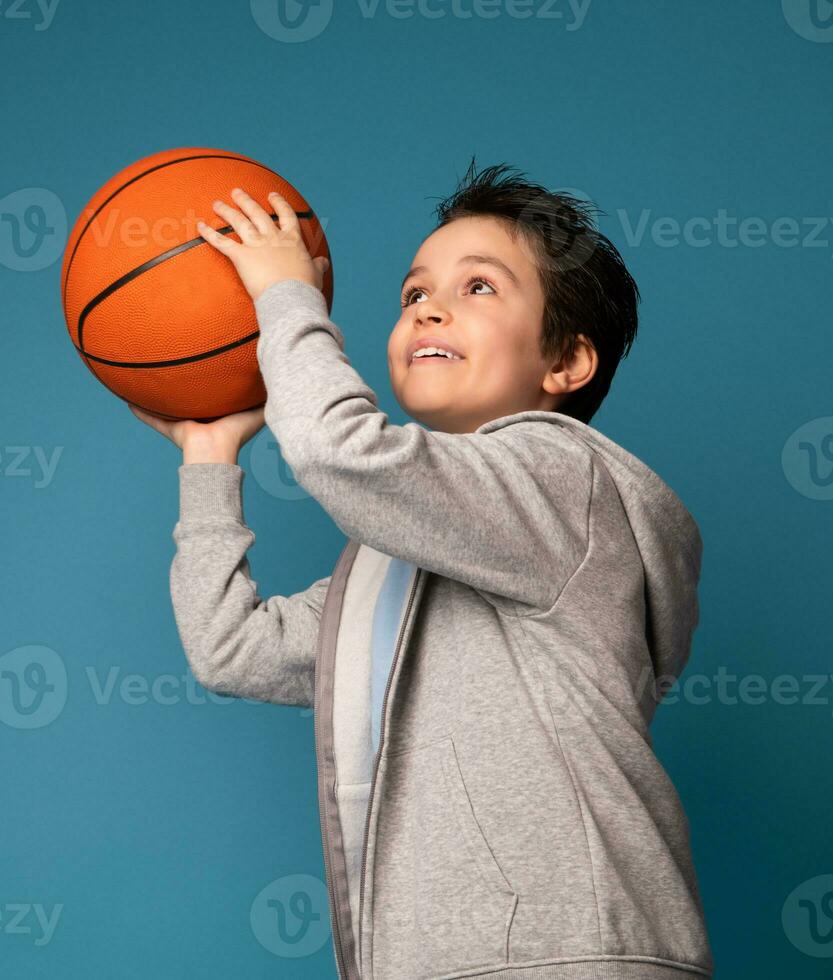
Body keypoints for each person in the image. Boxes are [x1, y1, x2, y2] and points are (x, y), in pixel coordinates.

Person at [131, 161, 714, 979]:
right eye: (412, 295)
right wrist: (207, 462)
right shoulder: (406, 552)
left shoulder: (565, 482)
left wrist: (282, 295)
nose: (429, 306)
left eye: (479, 287)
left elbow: (342, 452)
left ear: (567, 363)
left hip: (569, 950)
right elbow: (233, 649)